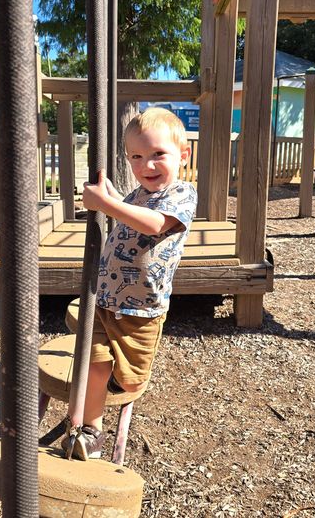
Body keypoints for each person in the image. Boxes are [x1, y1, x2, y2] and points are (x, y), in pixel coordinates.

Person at [64, 107, 197, 460]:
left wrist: (106, 203)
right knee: (94, 363)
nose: (146, 165)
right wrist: (111, 195)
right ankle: (92, 431)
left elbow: (153, 224)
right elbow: (128, 211)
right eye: (136, 156)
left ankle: (119, 380)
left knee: (132, 382)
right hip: (105, 298)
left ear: (183, 155)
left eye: (158, 155)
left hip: (141, 309)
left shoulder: (183, 193)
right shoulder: (136, 194)